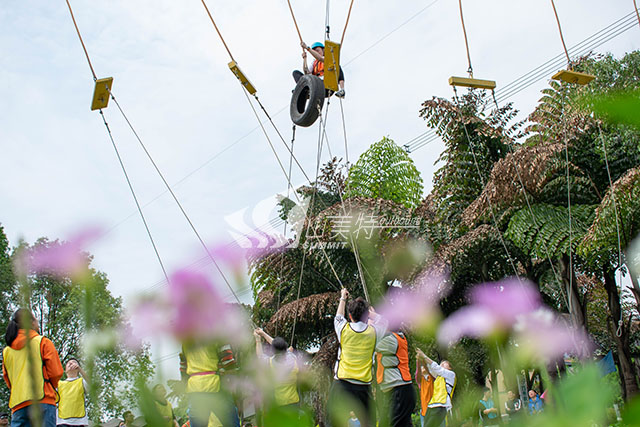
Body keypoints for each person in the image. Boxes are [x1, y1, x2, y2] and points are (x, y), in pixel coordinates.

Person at [327, 288, 387, 427]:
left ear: (350, 315)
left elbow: (338, 316)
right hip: (363, 387)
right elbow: (383, 320)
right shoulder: (375, 332)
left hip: (342, 384)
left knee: (332, 423)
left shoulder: (343, 329)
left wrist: (343, 297)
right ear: (367, 316)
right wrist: (369, 313)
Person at [2, 309, 63, 427]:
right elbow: (56, 372)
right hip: (42, 400)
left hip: (18, 405)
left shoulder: (7, 351)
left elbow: (8, 380)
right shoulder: (43, 342)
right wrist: (50, 386)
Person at [182, 342, 238, 427]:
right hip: (216, 386)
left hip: (194, 389)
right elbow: (228, 362)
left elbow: (183, 368)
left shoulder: (186, 341)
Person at [375, 330, 415, 427]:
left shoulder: (390, 340)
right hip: (396, 392)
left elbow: (366, 343)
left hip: (400, 391)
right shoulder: (396, 337)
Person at [253, 329, 300, 410]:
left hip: (279, 405)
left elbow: (260, 356)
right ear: (285, 348)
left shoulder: (270, 363)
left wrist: (258, 339)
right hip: (294, 402)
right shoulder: (292, 358)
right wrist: (263, 333)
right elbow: (279, 347)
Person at [416, 349, 456, 427]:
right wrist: (420, 360)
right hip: (431, 405)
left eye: (444, 364)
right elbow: (430, 368)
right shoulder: (437, 376)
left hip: (441, 406)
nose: (441, 365)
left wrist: (424, 355)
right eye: (441, 364)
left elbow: (436, 367)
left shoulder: (451, 375)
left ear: (450, 368)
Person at [56, 358, 89, 427]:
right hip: (62, 421)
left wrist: (80, 370)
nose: (71, 364)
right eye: (68, 363)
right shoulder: (59, 383)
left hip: (79, 421)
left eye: (74, 362)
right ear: (65, 370)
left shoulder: (81, 381)